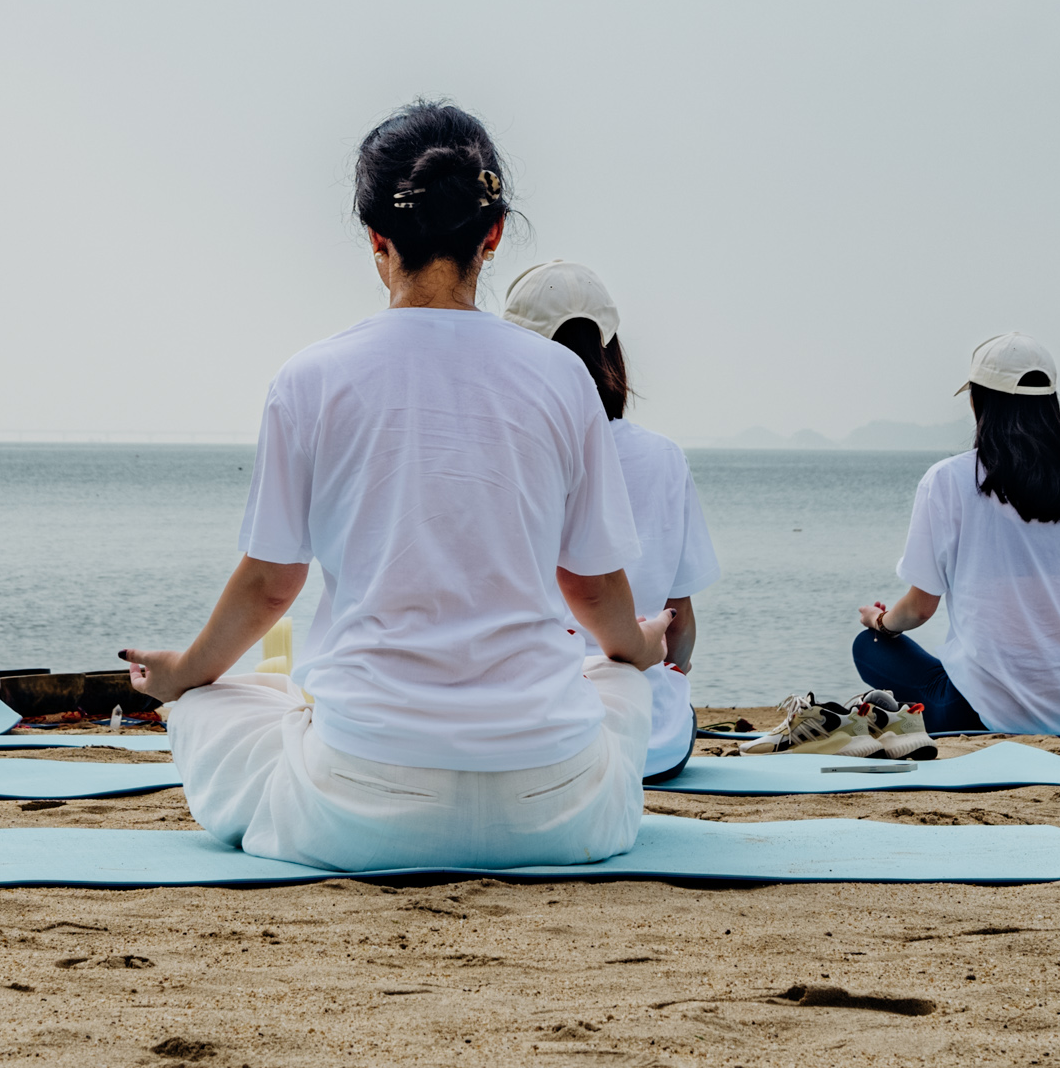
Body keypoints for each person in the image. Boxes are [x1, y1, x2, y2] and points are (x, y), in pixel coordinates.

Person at [120, 102, 670, 872]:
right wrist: (639, 647)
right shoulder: (563, 382)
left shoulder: (308, 379)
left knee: (215, 701)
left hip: (361, 802)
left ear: (377, 241)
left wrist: (182, 674)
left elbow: (273, 587)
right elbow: (589, 589)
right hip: (554, 805)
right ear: (494, 237)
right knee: (616, 676)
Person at [501, 259, 723, 782]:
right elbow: (680, 622)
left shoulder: (504, 455)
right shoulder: (663, 458)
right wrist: (672, 671)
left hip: (535, 733)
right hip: (652, 742)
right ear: (611, 352)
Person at [853, 334, 1060, 736]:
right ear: (1051, 403)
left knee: (868, 648)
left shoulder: (947, 480)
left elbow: (919, 609)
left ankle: (902, 706)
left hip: (975, 716)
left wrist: (880, 622)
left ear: (976, 402)